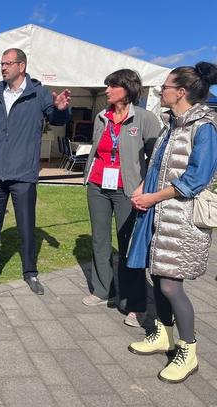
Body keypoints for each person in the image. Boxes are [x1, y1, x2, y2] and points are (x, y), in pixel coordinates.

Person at [127, 62, 217, 383]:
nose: (161, 91)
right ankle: (163, 334)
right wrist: (142, 189)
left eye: (165, 87)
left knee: (170, 284)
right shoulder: (171, 124)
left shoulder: (203, 127)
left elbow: (196, 178)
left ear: (180, 92)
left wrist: (153, 197)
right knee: (157, 273)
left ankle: (188, 349)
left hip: (182, 219)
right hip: (158, 214)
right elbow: (156, 166)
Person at [0, 48, 71, 294]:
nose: (3, 67)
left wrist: (61, 109)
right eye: (1, 63)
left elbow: (57, 119)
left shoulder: (38, 93)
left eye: (8, 63)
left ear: (22, 66)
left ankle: (30, 272)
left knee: (26, 225)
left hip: (23, 174)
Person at [82, 69, 161, 329]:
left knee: (129, 246)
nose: (106, 90)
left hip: (128, 191)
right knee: (99, 239)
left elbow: (155, 161)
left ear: (126, 88)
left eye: (111, 86)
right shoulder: (101, 117)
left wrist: (142, 187)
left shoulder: (146, 119)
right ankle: (103, 290)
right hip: (97, 186)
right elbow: (98, 149)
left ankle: (134, 304)